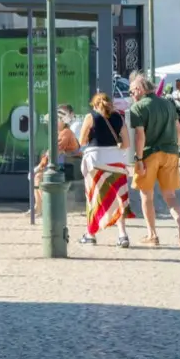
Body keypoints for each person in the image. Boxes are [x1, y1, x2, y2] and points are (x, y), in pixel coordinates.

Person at [129, 72, 180, 247]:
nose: (131, 95)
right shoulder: (168, 104)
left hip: (149, 154)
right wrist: (175, 147)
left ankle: (152, 235)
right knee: (170, 195)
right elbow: (178, 130)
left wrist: (139, 159)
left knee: (146, 195)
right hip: (170, 153)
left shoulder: (138, 108)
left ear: (140, 89)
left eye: (132, 91)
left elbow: (140, 136)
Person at [77, 92, 132, 247]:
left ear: (95, 105)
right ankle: (122, 235)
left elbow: (81, 141)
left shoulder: (90, 118)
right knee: (119, 198)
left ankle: (91, 234)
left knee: (93, 197)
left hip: (95, 161)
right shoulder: (118, 118)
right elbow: (126, 144)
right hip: (116, 162)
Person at [31, 105, 80, 217]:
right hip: (65, 167)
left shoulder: (66, 133)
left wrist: (39, 167)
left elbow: (53, 152)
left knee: (38, 177)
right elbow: (51, 152)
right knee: (37, 177)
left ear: (63, 121)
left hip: (68, 169)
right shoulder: (62, 132)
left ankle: (43, 207)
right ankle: (39, 207)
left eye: (56, 120)